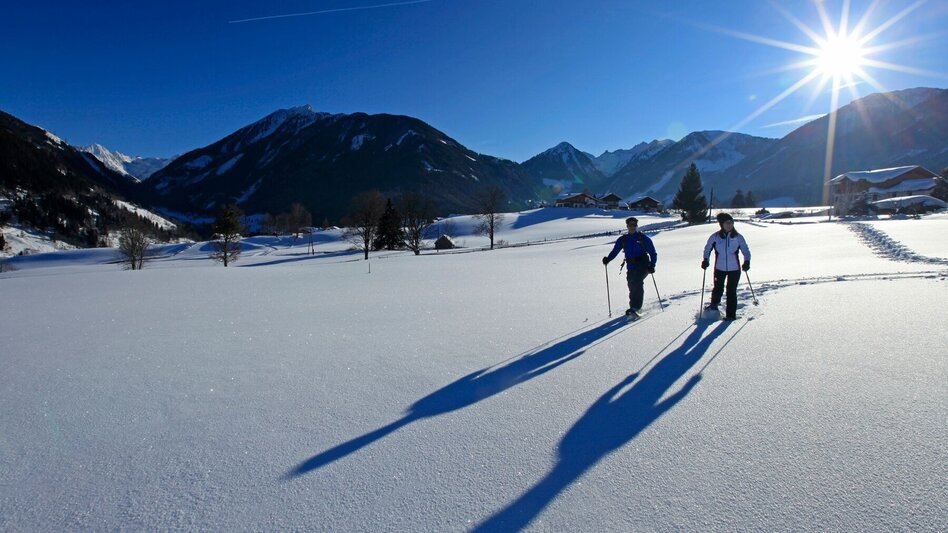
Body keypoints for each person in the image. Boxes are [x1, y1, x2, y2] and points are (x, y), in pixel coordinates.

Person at [603, 217, 657, 317]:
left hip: (643, 264)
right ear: (627, 226)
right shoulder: (623, 240)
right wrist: (608, 259)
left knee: (637, 281)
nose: (632, 227)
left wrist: (652, 265)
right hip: (631, 266)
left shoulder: (643, 238)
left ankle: (637, 307)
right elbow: (615, 251)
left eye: (634, 225)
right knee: (631, 284)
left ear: (637, 226)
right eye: (630, 225)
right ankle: (633, 308)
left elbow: (653, 253)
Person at [701, 212, 751, 320]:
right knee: (718, 289)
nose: (729, 225)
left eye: (731, 222)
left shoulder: (738, 237)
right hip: (719, 268)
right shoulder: (715, 237)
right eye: (727, 223)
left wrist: (747, 261)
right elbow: (707, 248)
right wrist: (705, 260)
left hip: (735, 269)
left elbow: (746, 250)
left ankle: (730, 315)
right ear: (721, 224)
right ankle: (713, 309)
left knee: (731, 291)